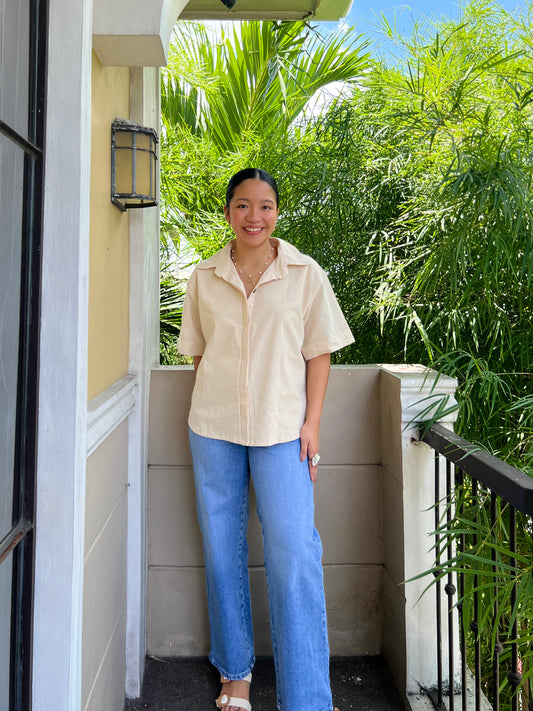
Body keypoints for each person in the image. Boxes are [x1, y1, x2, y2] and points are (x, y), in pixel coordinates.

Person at [177, 168, 354, 711]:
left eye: (266, 205)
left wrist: (312, 425)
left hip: (283, 432)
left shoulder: (304, 274)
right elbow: (200, 353)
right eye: (243, 205)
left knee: (294, 551)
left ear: (278, 212)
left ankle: (307, 696)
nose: (255, 216)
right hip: (214, 429)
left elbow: (319, 352)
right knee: (222, 547)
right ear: (227, 211)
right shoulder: (204, 277)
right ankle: (235, 673)